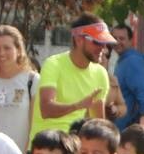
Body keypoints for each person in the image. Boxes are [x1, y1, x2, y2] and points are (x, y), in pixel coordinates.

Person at [28, 13, 115, 144]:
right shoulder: (53, 64)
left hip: (74, 149)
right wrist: (77, 106)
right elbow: (46, 110)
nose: (103, 48)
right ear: (79, 40)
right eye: (97, 42)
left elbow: (98, 124)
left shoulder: (100, 73)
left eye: (105, 42)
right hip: (45, 146)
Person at [0, 25, 41, 148]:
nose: (1, 53)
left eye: (7, 48)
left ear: (18, 50)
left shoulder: (32, 80)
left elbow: (35, 125)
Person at [110, 23, 144, 129]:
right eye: (114, 38)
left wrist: (143, 126)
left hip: (128, 128)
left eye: (122, 38)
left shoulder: (133, 61)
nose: (117, 42)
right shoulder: (123, 60)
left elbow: (143, 96)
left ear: (131, 40)